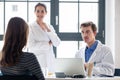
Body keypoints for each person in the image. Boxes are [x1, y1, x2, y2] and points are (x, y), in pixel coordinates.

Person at [27, 3, 61, 74]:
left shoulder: (49, 26)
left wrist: (48, 29)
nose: (40, 13)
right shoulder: (30, 27)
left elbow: (57, 43)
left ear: (46, 13)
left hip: (50, 61)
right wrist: (47, 44)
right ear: (34, 12)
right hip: (38, 61)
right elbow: (31, 45)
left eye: (42, 11)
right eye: (38, 11)